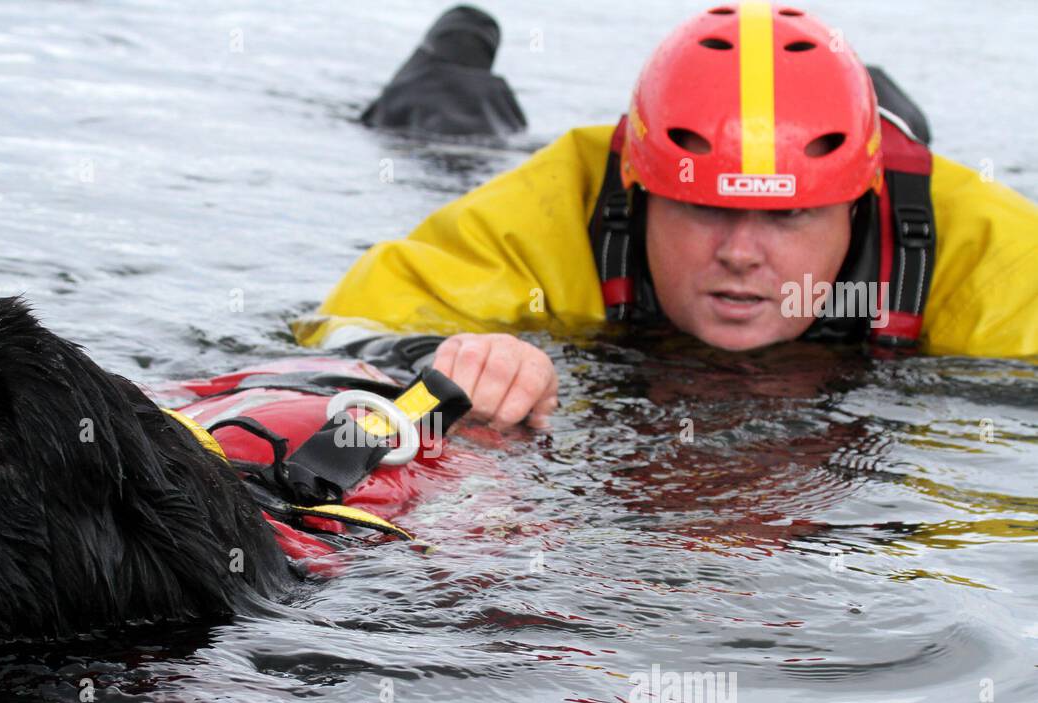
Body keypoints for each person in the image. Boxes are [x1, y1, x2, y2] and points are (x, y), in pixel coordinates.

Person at [293, 3, 1038, 430]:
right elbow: (344, 334)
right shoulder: (558, 201)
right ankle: (455, 56)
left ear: (857, 201)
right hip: (470, 139)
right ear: (639, 185)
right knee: (439, 126)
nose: (742, 253)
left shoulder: (990, 250)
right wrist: (453, 362)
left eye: (789, 217)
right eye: (704, 208)